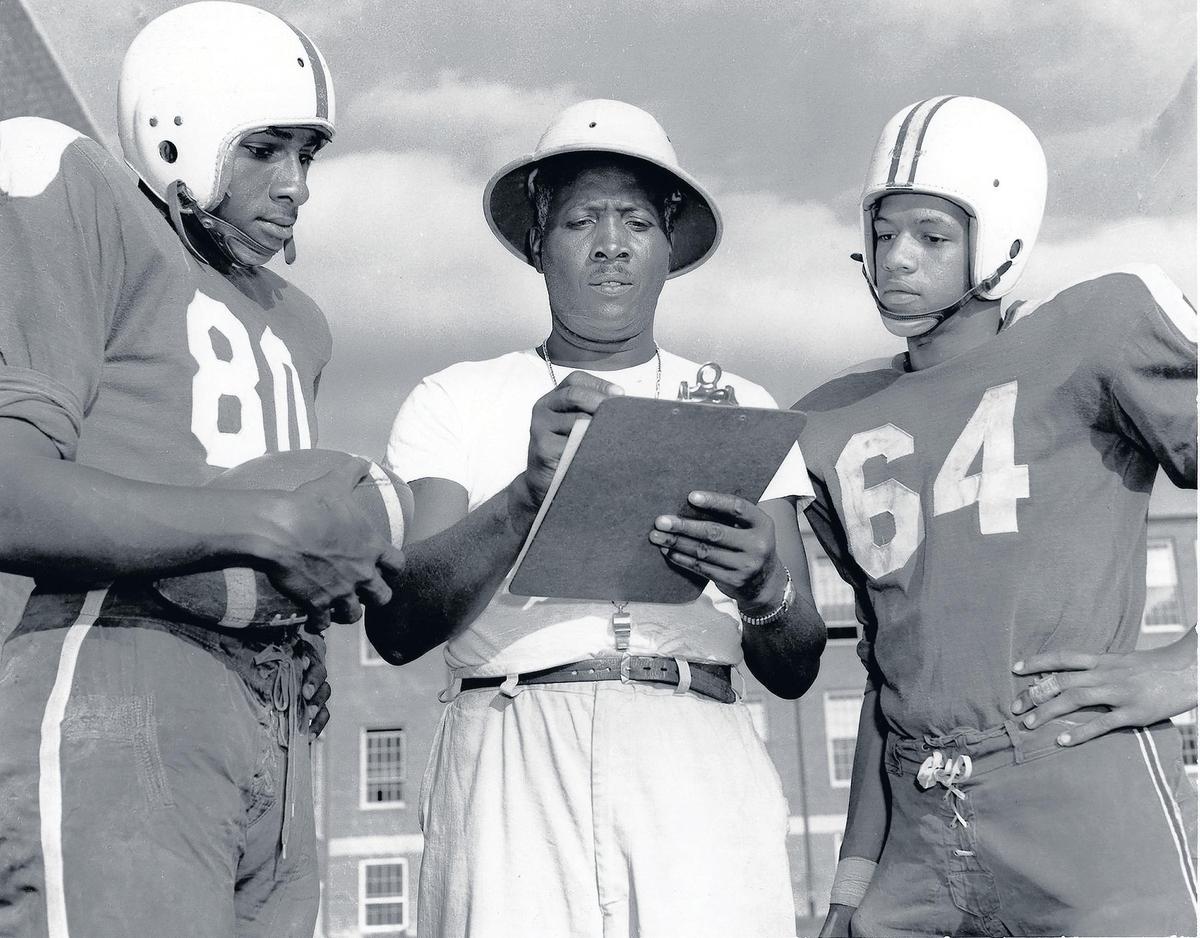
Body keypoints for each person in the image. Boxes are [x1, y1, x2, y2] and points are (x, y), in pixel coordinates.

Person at [367, 99, 825, 938]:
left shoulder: (739, 407)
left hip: (695, 749)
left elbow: (795, 667)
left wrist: (763, 584)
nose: (611, 243)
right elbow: (396, 625)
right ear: (539, 236)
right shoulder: (455, 400)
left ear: (669, 241)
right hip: (509, 741)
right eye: (581, 218)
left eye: (637, 220)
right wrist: (525, 496)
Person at [0, 4, 404, 936]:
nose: (297, 184)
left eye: (309, 154)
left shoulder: (300, 321)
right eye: (265, 148)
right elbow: (10, 492)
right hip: (119, 671)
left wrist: (301, 625)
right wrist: (264, 527)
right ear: (176, 128)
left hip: (277, 725)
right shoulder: (75, 189)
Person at [796, 96, 1197, 937]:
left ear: (1003, 239)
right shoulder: (829, 420)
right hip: (915, 833)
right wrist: (847, 890)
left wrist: (1187, 669)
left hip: (1077, 795)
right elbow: (885, 674)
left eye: (933, 236)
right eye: (883, 232)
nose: (897, 259)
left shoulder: (1096, 328)